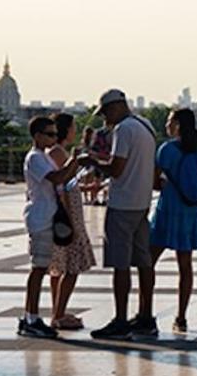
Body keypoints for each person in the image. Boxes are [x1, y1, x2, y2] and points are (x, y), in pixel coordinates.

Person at [84, 89, 159, 342]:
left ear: (116, 107)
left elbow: (116, 169)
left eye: (106, 112)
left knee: (121, 264)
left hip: (123, 203)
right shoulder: (145, 125)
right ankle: (146, 316)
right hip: (142, 202)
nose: (105, 118)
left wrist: (91, 161)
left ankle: (120, 319)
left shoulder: (123, 130)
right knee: (145, 261)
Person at [19, 114, 90, 339]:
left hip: (47, 217)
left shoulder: (43, 157)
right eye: (49, 134)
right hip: (41, 218)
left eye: (55, 134)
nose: (54, 138)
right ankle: (30, 317)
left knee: (41, 269)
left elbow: (63, 179)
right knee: (38, 269)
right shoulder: (36, 158)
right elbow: (58, 178)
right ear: (37, 136)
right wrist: (74, 162)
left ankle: (32, 317)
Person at [151, 108, 197, 335]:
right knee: (185, 266)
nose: (166, 125)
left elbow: (155, 181)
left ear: (176, 124)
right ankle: (181, 316)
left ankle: (145, 311)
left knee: (149, 261)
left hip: (169, 209)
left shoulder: (167, 150)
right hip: (191, 211)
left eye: (169, 121)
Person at [45, 113, 96, 330]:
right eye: (74, 127)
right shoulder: (58, 153)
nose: (76, 131)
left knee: (60, 266)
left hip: (67, 213)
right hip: (67, 215)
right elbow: (62, 184)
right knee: (70, 266)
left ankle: (58, 311)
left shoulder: (57, 152)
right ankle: (58, 314)